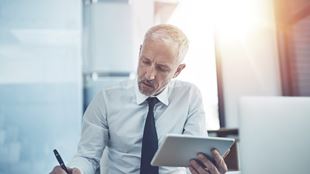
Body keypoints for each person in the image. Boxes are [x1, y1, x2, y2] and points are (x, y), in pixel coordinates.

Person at [50, 24, 228, 174]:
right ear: (140, 52)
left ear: (178, 71)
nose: (149, 75)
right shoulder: (107, 99)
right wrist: (74, 171)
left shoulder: (189, 96)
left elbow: (195, 159)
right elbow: (87, 156)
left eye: (162, 68)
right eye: (146, 61)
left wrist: (206, 168)